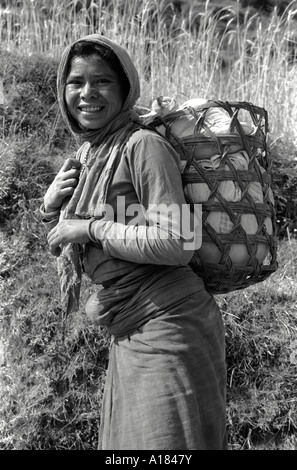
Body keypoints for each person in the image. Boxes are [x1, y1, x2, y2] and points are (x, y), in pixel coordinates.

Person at [40, 34, 227, 450]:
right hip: (129, 327)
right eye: (76, 81)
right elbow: (72, 245)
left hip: (169, 325)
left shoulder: (144, 147)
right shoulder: (92, 155)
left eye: (102, 81)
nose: (87, 93)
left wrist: (90, 228)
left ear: (125, 89)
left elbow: (178, 242)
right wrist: (51, 209)